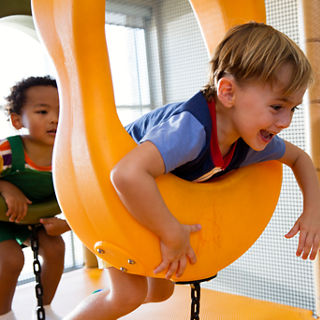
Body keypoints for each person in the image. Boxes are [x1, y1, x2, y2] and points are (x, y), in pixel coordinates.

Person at [65, 22, 320, 320]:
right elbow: (126, 174)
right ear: (227, 92)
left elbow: (300, 158)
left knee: (160, 291)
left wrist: (312, 212)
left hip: (140, 190)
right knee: (128, 295)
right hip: (104, 192)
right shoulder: (191, 130)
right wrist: (172, 233)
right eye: (277, 106)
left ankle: (102, 298)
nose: (286, 121)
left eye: (293, 109)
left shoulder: (251, 139)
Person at [0, 76, 70, 320]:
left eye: (63, 111)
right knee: (9, 259)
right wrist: (6, 187)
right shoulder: (8, 151)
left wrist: (67, 223)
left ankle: (46, 309)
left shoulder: (70, 155)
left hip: (34, 219)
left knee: (54, 247)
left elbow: (86, 198)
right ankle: (4, 314)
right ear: (18, 121)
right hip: (1, 219)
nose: (55, 118)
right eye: (42, 111)